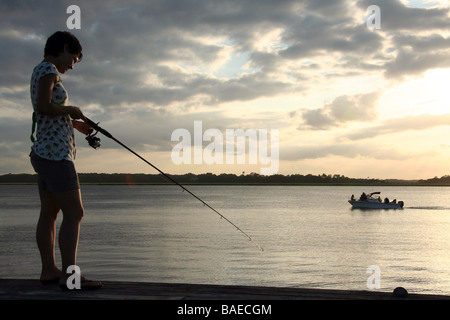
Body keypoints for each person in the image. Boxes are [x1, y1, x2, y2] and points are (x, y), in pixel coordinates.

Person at [29, 31, 102, 290]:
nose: (72, 65)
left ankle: (49, 270)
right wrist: (72, 109)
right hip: (56, 156)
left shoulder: (41, 70)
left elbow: (48, 112)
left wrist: (74, 124)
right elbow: (43, 106)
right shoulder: (49, 69)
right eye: (73, 58)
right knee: (75, 213)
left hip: (45, 153)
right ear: (62, 48)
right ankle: (70, 276)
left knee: (49, 213)